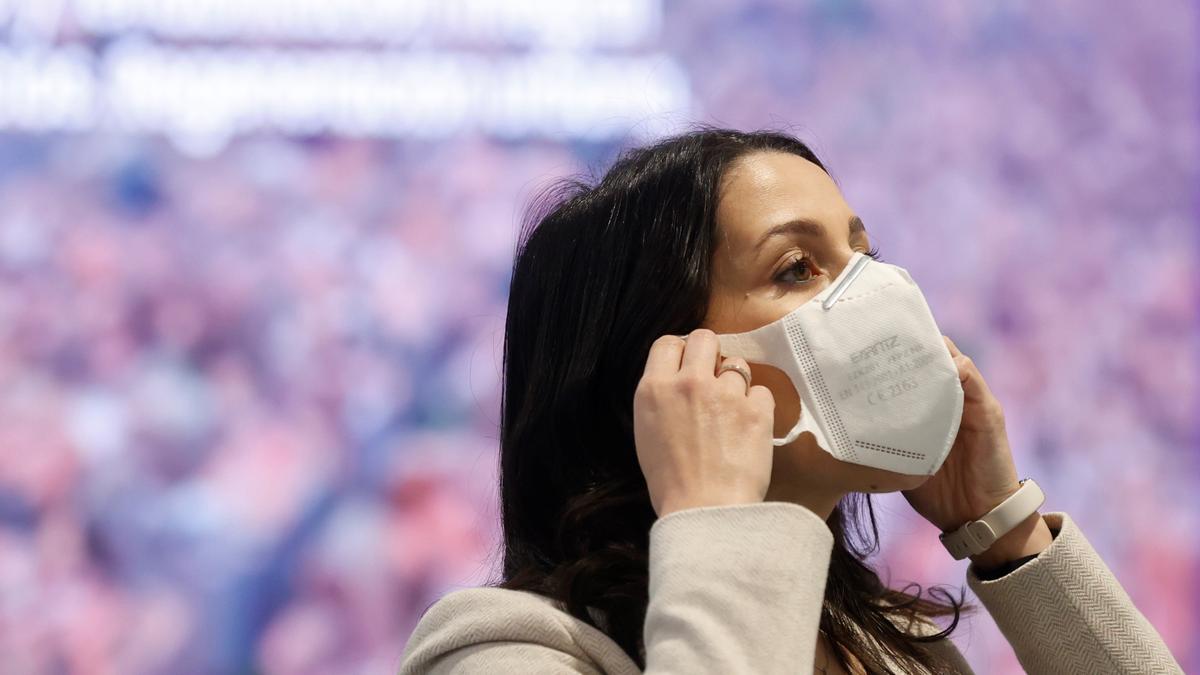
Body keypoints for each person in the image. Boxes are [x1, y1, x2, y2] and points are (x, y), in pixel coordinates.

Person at [398, 127, 1182, 674]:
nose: (879, 293)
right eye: (799, 267)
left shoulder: (889, 643)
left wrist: (1005, 529)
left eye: (864, 255)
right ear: (664, 367)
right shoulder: (502, 651)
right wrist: (713, 521)